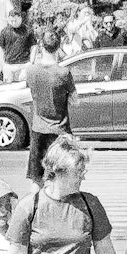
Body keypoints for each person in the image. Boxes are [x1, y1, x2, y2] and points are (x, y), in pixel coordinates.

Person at [0, 134, 119, 254]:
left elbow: (105, 251)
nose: (83, 177)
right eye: (78, 172)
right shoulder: (29, 207)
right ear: (59, 172)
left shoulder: (91, 204)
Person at [25, 26, 76, 184]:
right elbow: (75, 100)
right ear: (58, 47)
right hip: (59, 130)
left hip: (38, 129)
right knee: (59, 177)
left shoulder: (31, 71)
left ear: (41, 46)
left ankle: (35, 207)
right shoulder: (64, 73)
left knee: (36, 178)